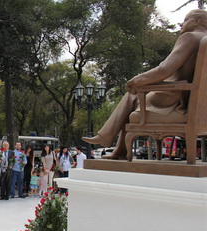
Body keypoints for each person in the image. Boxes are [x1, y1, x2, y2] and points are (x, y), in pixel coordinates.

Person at [83, 9, 207, 159]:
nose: (182, 25)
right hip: (190, 101)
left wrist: (137, 80)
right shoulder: (203, 40)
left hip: (170, 97)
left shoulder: (190, 38)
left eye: (186, 20)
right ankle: (116, 147)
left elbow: (164, 70)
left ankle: (107, 139)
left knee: (131, 94)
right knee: (132, 100)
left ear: (197, 21)